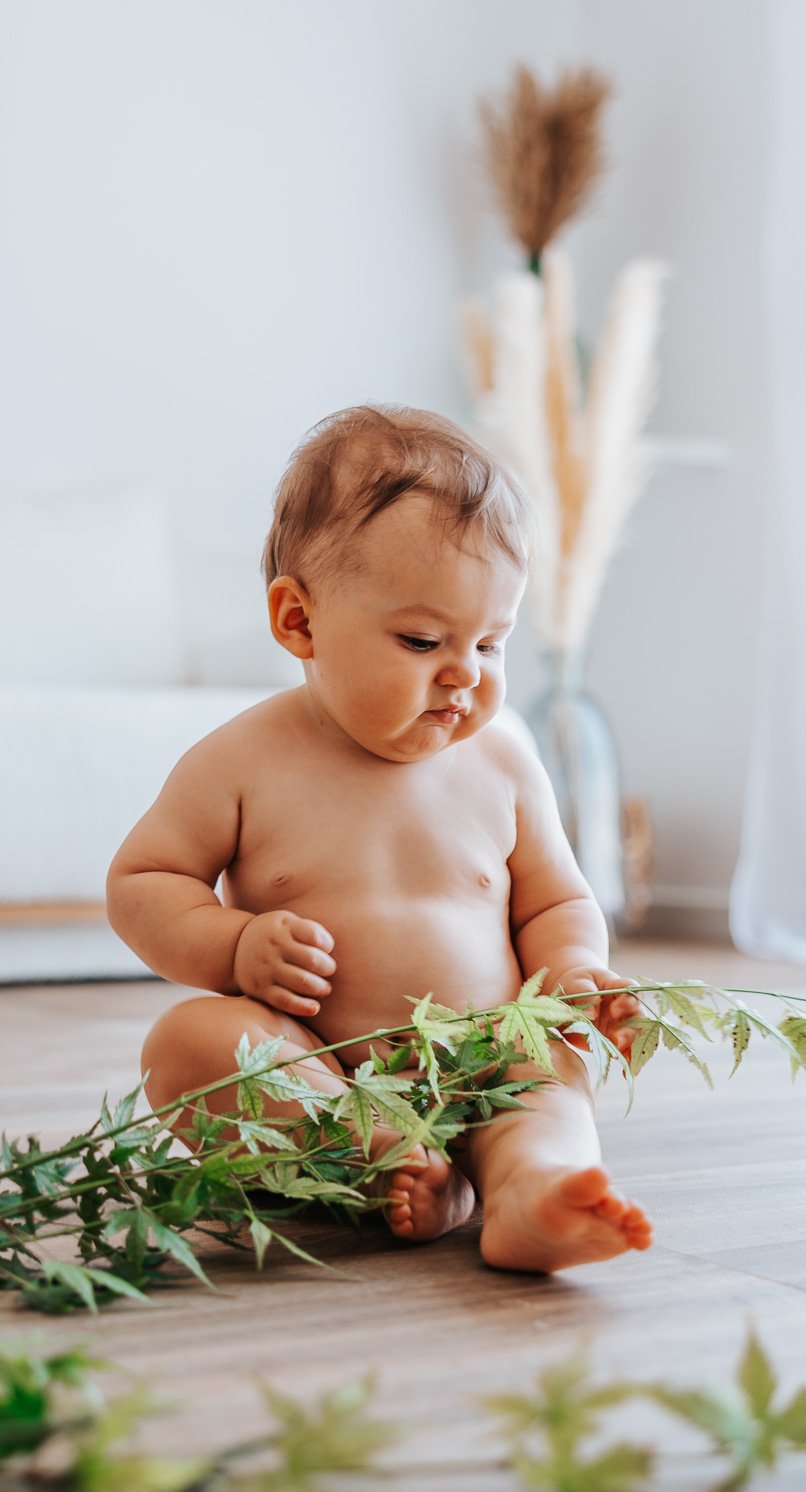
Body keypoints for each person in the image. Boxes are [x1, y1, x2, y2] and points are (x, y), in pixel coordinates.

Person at [106, 404, 652, 1273]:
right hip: (321, 1072)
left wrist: (576, 973)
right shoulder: (242, 760)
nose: (465, 674)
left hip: (485, 1059)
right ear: (299, 623)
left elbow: (557, 898)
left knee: (548, 1075)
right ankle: (381, 1159)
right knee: (187, 1047)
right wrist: (235, 945)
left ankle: (534, 1189)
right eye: (423, 639)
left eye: (492, 642)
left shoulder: (505, 764)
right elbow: (143, 881)